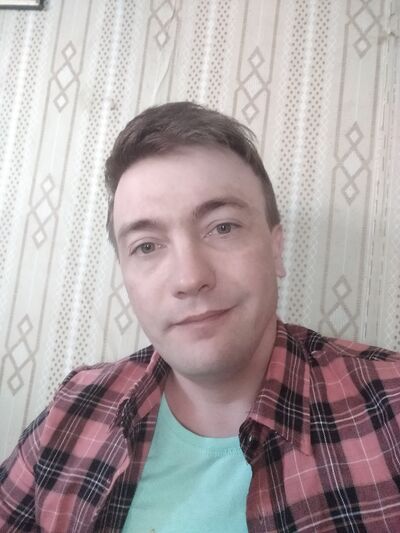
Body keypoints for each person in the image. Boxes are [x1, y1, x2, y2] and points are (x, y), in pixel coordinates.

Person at [1, 102, 400, 533]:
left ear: (276, 249)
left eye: (223, 227)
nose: (190, 278)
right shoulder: (74, 408)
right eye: (147, 246)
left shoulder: (390, 406)